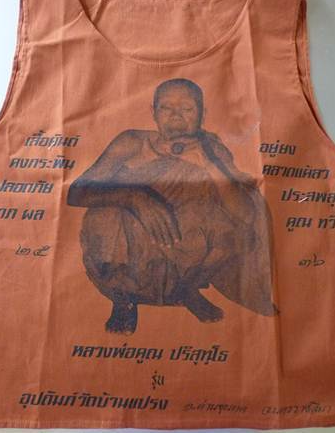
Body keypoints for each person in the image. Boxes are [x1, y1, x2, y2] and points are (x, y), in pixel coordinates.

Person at [67, 78, 277, 335]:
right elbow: (76, 192)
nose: (176, 116)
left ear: (202, 114)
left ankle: (185, 289)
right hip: (131, 238)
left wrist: (207, 165)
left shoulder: (211, 150)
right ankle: (123, 299)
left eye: (187, 108)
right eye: (166, 108)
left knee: (238, 230)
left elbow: (246, 215)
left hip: (182, 241)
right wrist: (134, 197)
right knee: (105, 215)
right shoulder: (131, 142)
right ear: (153, 112)